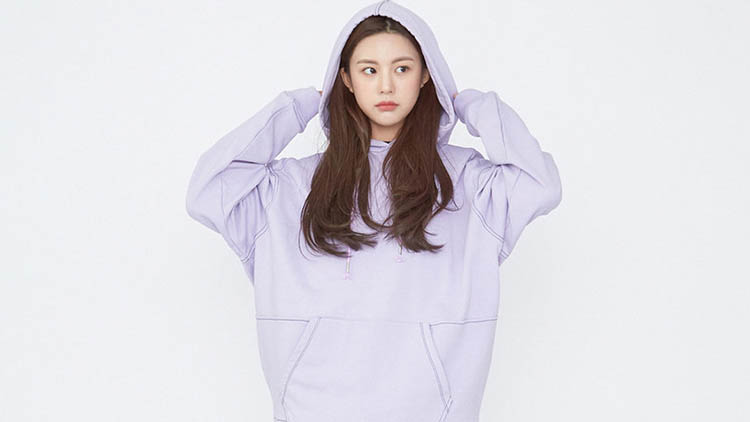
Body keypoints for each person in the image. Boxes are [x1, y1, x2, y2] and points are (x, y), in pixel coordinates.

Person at [185, 0, 562, 420]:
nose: (386, 86)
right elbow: (209, 191)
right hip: (314, 407)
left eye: (402, 68)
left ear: (426, 76)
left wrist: (471, 105)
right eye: (369, 70)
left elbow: (540, 185)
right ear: (345, 79)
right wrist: (297, 107)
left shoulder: (470, 185)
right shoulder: (289, 188)